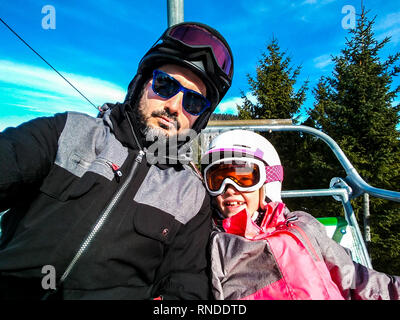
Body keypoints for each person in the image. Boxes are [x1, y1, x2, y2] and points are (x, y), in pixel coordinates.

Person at [0, 22, 234, 300]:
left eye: (193, 102)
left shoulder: (191, 196)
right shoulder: (68, 132)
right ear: (140, 84)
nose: (174, 107)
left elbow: (186, 289)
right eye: (165, 85)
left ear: (200, 119)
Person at [201, 129, 400, 300]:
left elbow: (355, 279)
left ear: (268, 181)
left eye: (243, 178)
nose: (229, 188)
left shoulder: (301, 225)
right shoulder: (214, 243)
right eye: (216, 179)